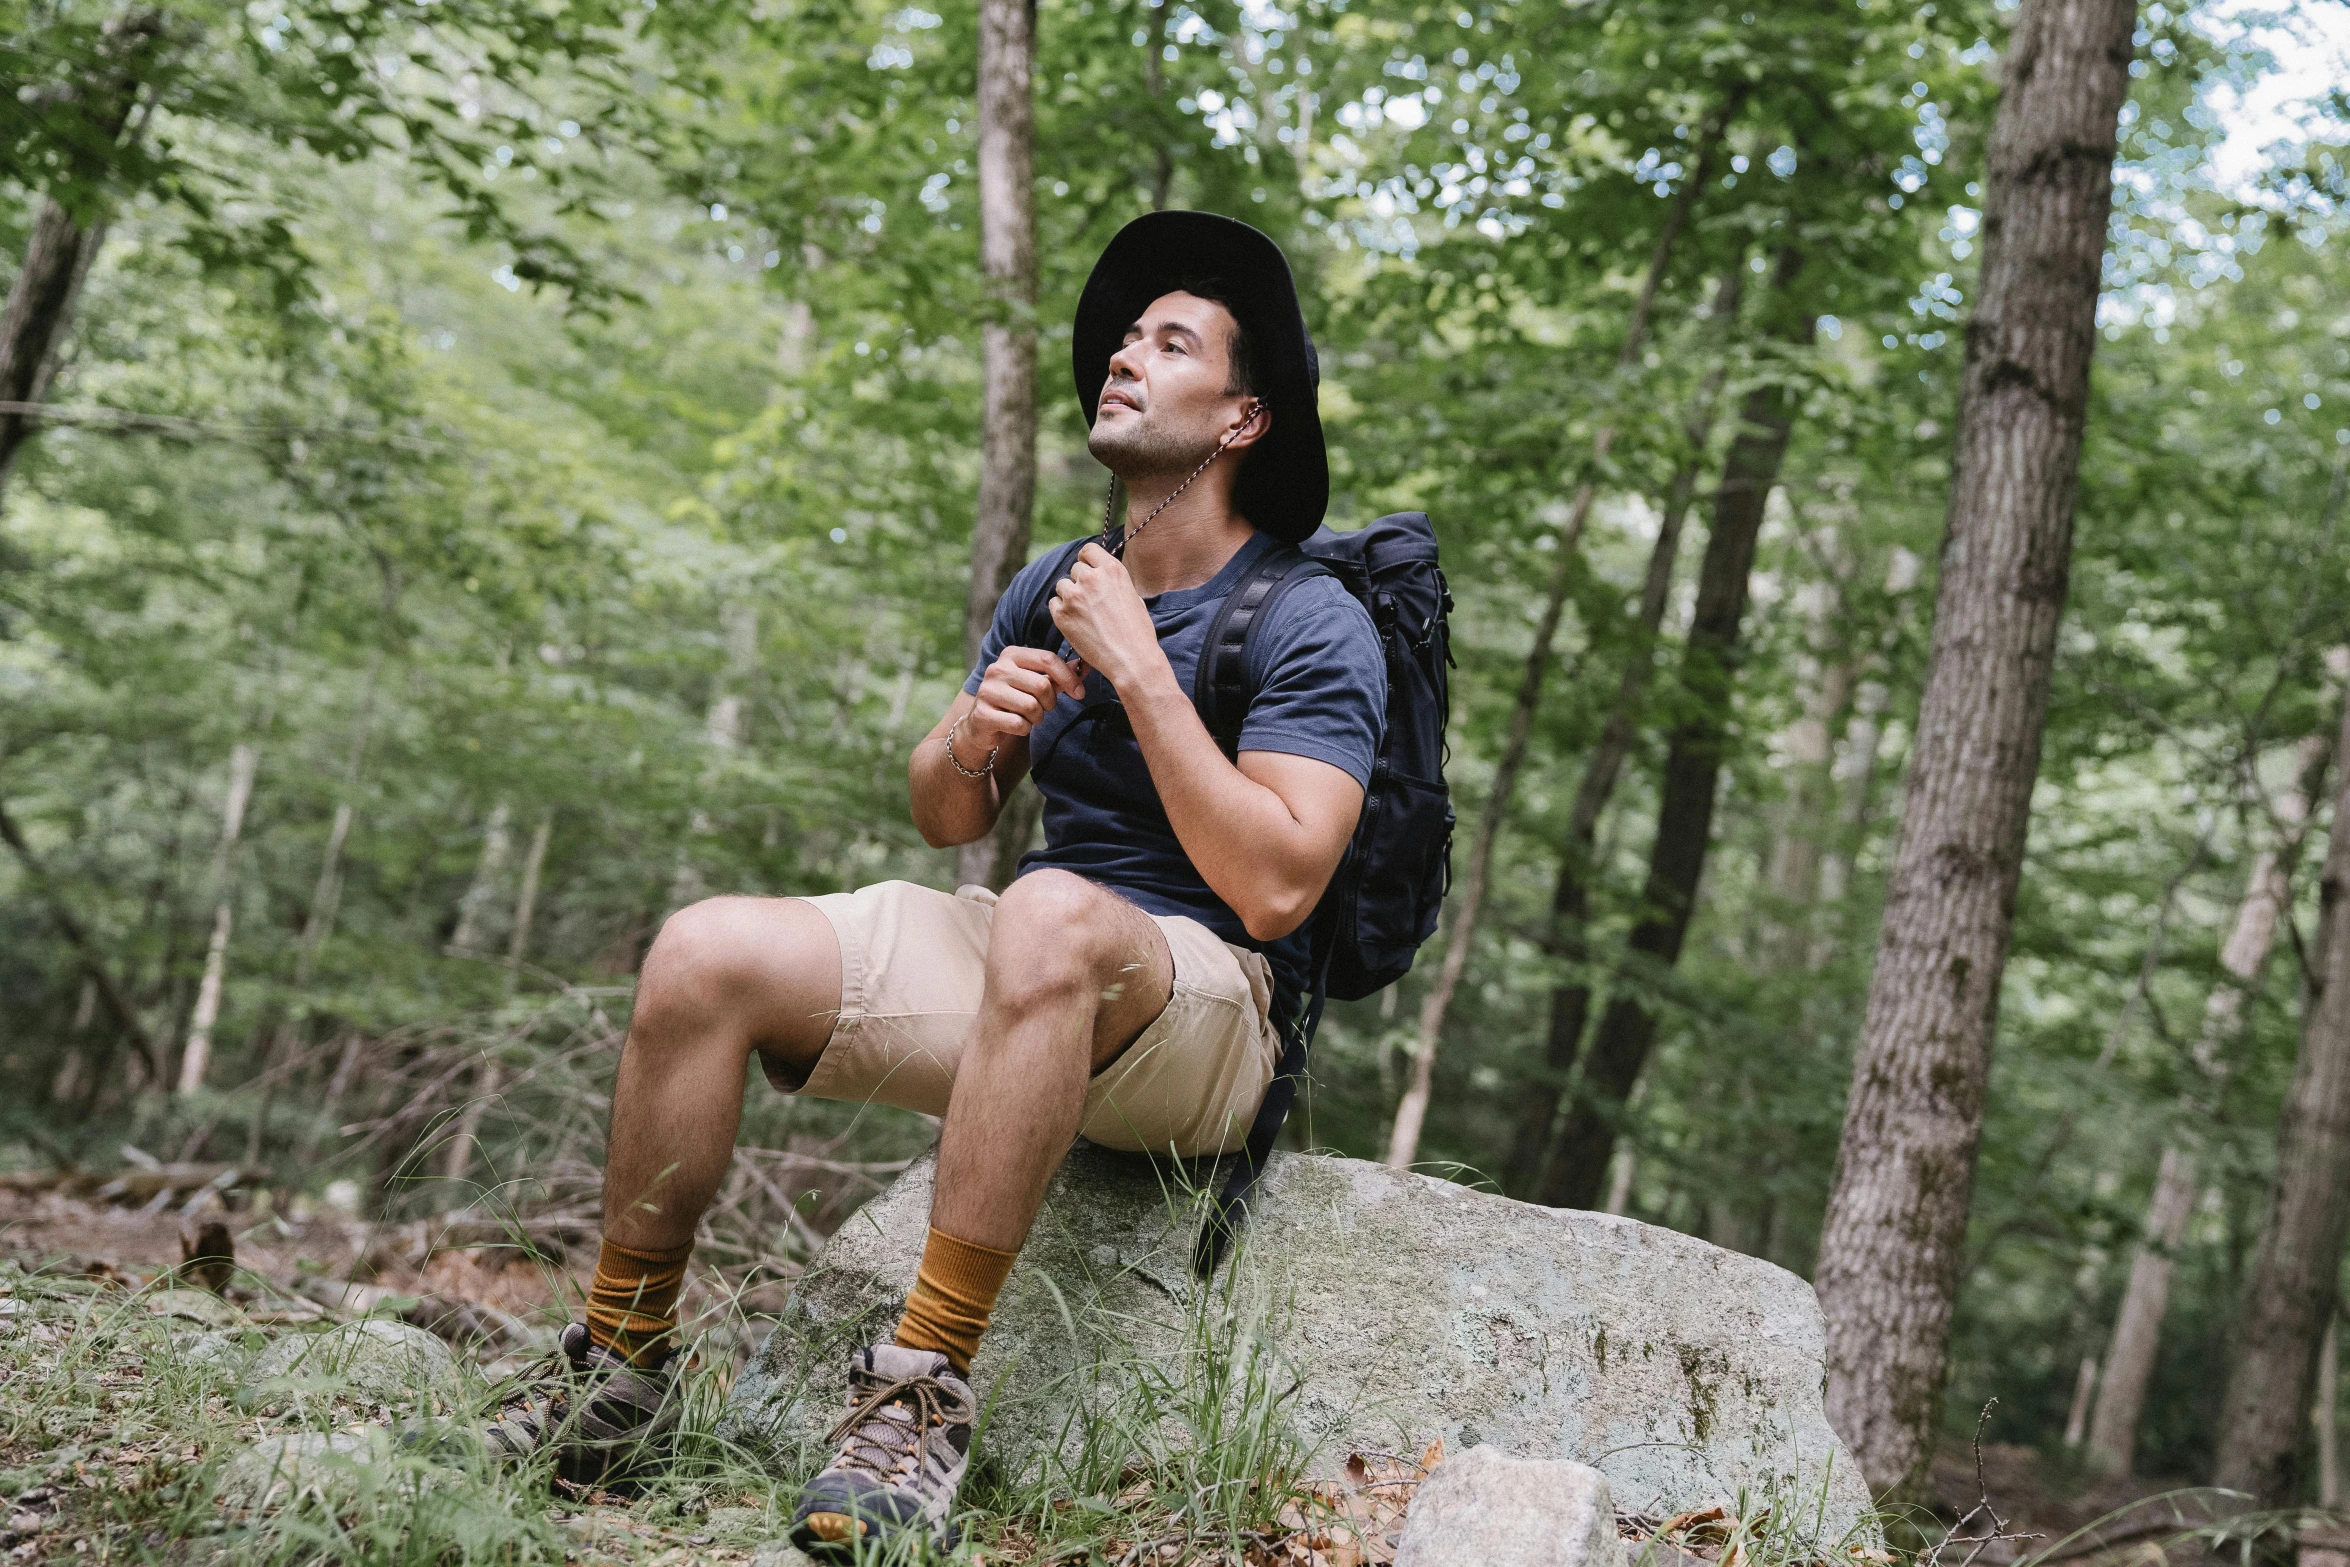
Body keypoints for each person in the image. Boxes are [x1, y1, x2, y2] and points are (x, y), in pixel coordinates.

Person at [480, 211, 1386, 1557]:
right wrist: (970, 735)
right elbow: (944, 810)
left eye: (1169, 342)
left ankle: (918, 1393)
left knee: (1050, 911)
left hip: (1212, 1015)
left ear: (1242, 419)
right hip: (1038, 962)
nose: (1123, 359)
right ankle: (616, 1367)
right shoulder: (1056, 582)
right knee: (702, 950)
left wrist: (1141, 673)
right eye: (1124, 339)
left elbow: (1277, 887)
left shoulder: (1310, 618)